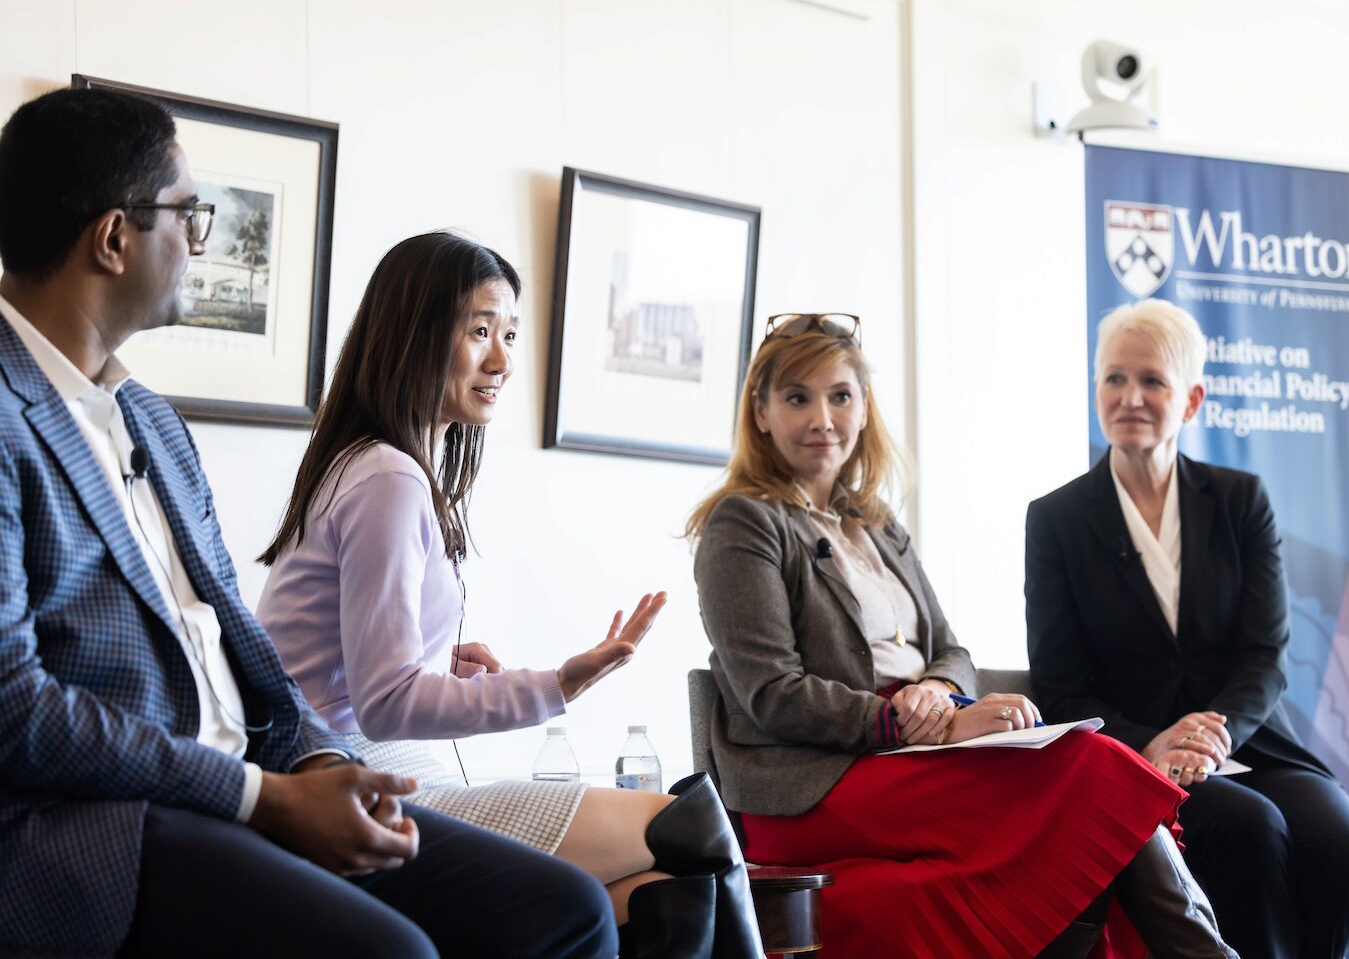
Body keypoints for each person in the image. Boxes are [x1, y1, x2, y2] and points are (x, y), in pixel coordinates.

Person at [0, 87, 616, 958]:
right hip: (99, 827)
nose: (200, 243)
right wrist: (264, 797)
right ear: (113, 238)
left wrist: (321, 762)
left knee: (566, 910)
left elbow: (243, 649)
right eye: (188, 215)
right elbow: (15, 707)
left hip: (253, 781)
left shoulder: (151, 424)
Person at [255, 230, 763, 959]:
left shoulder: (370, 465)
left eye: (511, 335)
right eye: (480, 331)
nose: (502, 360)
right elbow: (386, 702)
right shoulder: (388, 478)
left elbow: (345, 663)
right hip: (358, 778)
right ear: (414, 335)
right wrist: (560, 684)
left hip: (367, 763)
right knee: (691, 831)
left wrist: (439, 661)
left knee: (658, 889)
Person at [687, 312, 1239, 959]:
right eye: (796, 398)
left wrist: (940, 691)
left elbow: (951, 650)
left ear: (864, 409)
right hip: (813, 779)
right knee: (1098, 770)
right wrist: (923, 722)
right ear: (760, 411)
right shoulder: (743, 523)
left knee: (1093, 774)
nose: (822, 419)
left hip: (911, 748)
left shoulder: (876, 524)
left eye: (840, 396)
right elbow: (772, 693)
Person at [1024, 297, 1349, 959]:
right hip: (1136, 758)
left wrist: (1211, 735)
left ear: (1191, 400)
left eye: (1152, 380)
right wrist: (1156, 743)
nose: (1130, 397)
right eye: (1114, 378)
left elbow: (1265, 653)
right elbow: (1061, 685)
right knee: (1252, 830)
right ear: (1096, 391)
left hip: (1249, 743)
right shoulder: (1056, 520)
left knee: (1339, 841)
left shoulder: (1241, 501)